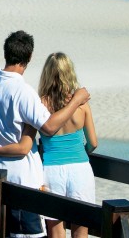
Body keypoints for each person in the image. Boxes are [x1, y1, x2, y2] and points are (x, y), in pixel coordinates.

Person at [0, 31, 90, 238]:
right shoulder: (24, 92)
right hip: (24, 181)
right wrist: (76, 100)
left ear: (6, 53)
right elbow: (48, 127)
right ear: (29, 58)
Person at [37, 52, 98, 238]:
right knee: (81, 229)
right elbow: (93, 143)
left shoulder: (41, 103)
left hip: (52, 170)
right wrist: (82, 151)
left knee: (55, 232)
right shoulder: (81, 104)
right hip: (80, 168)